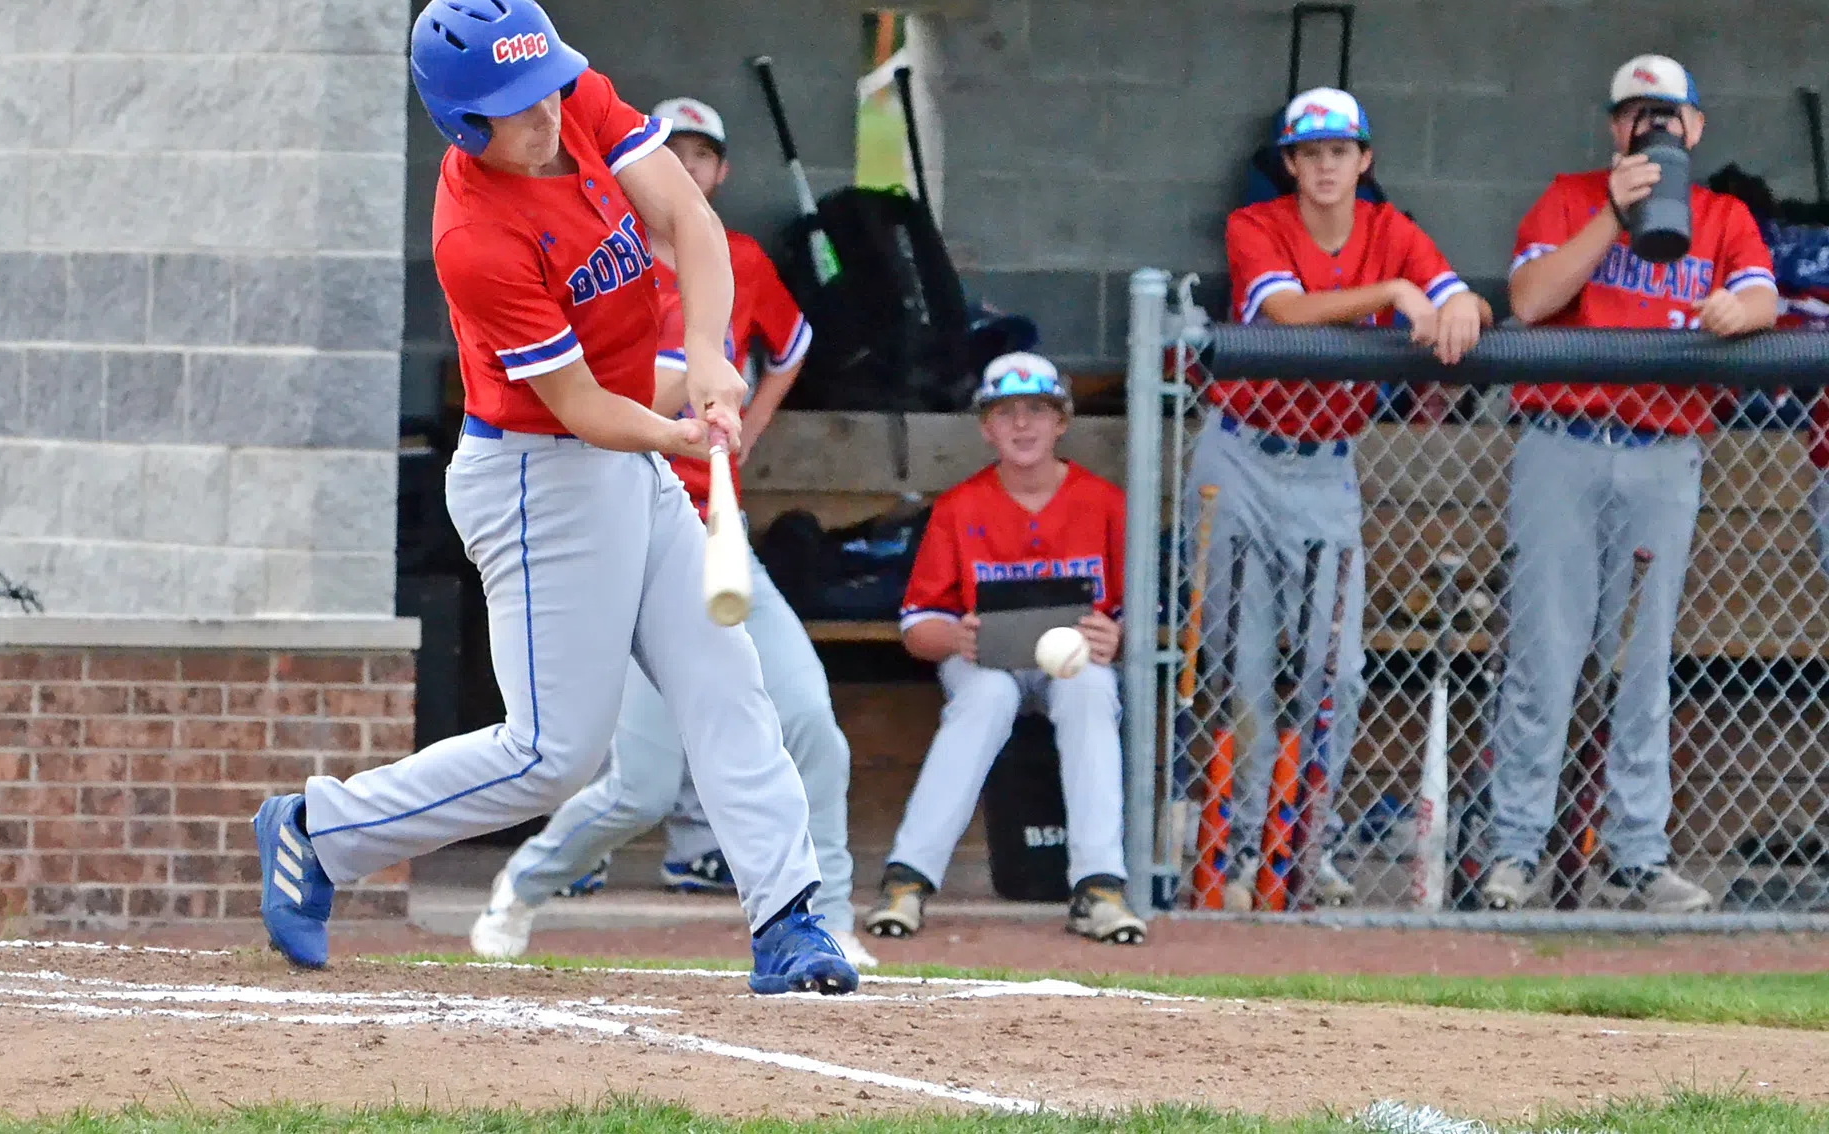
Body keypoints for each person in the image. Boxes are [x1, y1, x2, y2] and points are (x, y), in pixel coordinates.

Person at [252, 0, 858, 996]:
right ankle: (320, 829)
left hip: (624, 437)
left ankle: (790, 921)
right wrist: (681, 425)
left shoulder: (565, 91)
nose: (546, 117)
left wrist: (705, 356)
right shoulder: (475, 238)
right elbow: (580, 409)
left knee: (726, 684)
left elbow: (689, 224)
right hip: (540, 474)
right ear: (461, 122)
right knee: (552, 755)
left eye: (548, 92)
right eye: (519, 109)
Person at [467, 96, 872, 965]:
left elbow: (791, 345)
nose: (683, 170)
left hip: (716, 528)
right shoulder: (600, 258)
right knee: (641, 785)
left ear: (720, 171)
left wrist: (745, 414)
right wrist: (694, 394)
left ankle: (824, 917)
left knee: (809, 722)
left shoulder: (733, 258)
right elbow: (593, 405)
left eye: (701, 156)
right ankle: (527, 882)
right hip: (632, 525)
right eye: (670, 153)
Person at [1484, 54, 1777, 914]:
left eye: (1666, 117)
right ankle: (1515, 850)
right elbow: (1530, 300)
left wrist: (1739, 312)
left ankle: (1637, 854)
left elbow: (1763, 298)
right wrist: (1613, 214)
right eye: (1635, 116)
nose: (1652, 130)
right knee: (1544, 654)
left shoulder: (1722, 215)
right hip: (1563, 444)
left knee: (1641, 661)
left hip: (1663, 452)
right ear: (1614, 129)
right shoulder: (1571, 196)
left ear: (1695, 126)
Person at [1189, 87, 1490, 911]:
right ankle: (1244, 844)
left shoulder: (1394, 232)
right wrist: (1394, 297)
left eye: (1340, 151)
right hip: (1242, 453)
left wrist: (1458, 301)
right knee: (1243, 668)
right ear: (1290, 163)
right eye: (1310, 153)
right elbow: (1284, 314)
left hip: (1328, 465)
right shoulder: (1258, 225)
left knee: (1339, 671)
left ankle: (1302, 846)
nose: (1326, 166)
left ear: (1365, 160)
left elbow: (1465, 297)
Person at [862, 352, 1147, 946]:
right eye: (1005, 413)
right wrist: (957, 636)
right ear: (985, 426)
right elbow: (918, 628)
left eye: (1037, 411)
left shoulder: (1104, 503)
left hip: (1072, 665)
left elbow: (1143, 616)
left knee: (1092, 687)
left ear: (1062, 422)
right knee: (986, 697)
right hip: (983, 663)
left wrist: (1116, 636)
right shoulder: (960, 506)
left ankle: (1099, 887)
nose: (1022, 425)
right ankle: (907, 880)